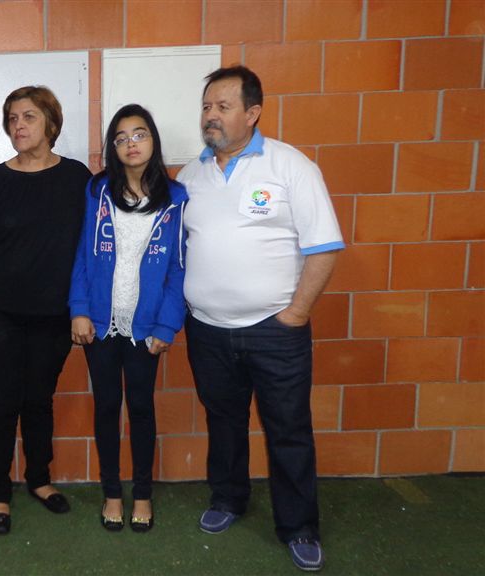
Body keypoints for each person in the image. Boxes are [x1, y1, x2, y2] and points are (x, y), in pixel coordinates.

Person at [177, 66, 344, 572]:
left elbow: (324, 248)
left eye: (222, 107)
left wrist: (295, 314)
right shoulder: (191, 177)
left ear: (252, 113)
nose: (210, 115)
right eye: (207, 106)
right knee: (224, 422)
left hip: (275, 330)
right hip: (208, 329)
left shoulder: (290, 166)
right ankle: (229, 498)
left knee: (288, 429)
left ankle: (299, 526)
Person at [0, 86, 92, 535]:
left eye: (29, 116)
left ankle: (39, 478)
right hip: (0, 316)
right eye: (13, 118)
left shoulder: (76, 178)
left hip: (54, 317)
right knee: (1, 403)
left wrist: (83, 307)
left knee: (39, 400)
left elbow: (90, 249)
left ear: (51, 123)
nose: (19, 125)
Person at [69, 104, 187, 533]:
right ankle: (112, 493)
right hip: (101, 324)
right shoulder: (97, 190)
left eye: (139, 134)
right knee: (106, 407)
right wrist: (79, 309)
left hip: (146, 328)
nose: (130, 144)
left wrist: (167, 325)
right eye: (121, 138)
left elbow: (178, 268)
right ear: (112, 148)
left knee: (140, 408)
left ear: (153, 140)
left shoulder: (176, 197)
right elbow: (83, 253)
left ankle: (142, 494)